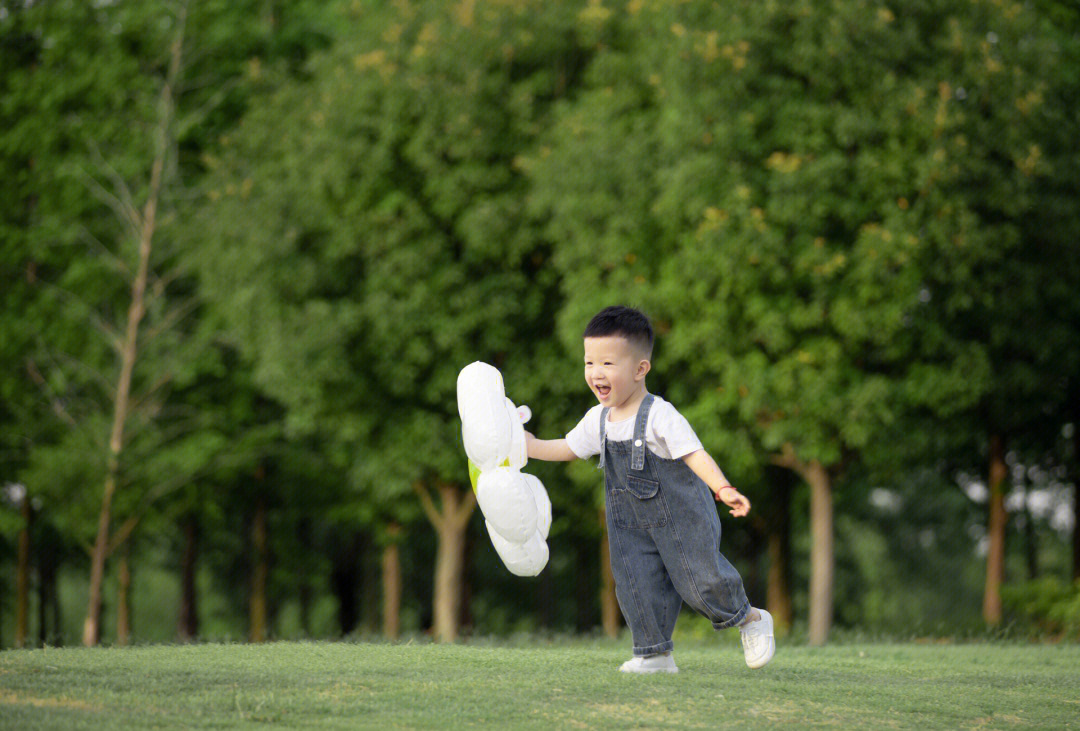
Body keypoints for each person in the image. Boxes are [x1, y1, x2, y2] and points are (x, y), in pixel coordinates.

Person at [525, 305, 774, 673]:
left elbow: (694, 454)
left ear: (640, 369)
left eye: (608, 364)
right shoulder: (599, 420)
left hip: (681, 519)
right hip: (629, 524)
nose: (596, 373)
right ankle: (654, 654)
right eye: (589, 363)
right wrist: (527, 445)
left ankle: (749, 618)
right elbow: (566, 447)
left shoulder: (660, 415)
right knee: (635, 584)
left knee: (699, 582)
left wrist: (722, 488)